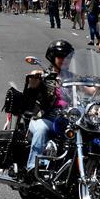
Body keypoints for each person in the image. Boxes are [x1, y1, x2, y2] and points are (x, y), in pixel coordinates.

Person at [25, 39, 73, 174]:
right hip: (46, 118)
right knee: (41, 130)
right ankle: (33, 169)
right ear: (53, 57)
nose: (64, 60)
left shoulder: (73, 77)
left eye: (67, 57)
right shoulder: (46, 75)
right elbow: (33, 85)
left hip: (69, 120)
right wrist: (35, 76)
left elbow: (89, 89)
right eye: (61, 57)